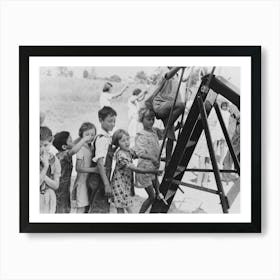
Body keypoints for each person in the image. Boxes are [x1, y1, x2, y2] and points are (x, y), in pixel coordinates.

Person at [145, 67, 189, 165]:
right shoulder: (165, 72)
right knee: (181, 105)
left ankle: (168, 162)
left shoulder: (177, 79)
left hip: (169, 108)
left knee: (170, 136)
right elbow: (168, 75)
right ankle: (168, 128)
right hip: (160, 105)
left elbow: (185, 78)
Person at [111, 129, 161, 213]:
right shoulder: (121, 155)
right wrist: (152, 171)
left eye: (127, 139)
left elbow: (140, 154)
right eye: (123, 141)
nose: (126, 142)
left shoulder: (128, 151)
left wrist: (153, 158)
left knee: (124, 206)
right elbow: (135, 168)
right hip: (119, 185)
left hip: (125, 184)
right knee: (122, 208)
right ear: (117, 143)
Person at [133, 107, 165, 213]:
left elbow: (165, 133)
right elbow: (139, 152)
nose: (151, 122)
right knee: (152, 196)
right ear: (142, 120)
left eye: (153, 119)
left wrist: (176, 127)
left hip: (152, 169)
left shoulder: (154, 131)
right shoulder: (141, 135)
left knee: (159, 191)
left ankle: (156, 212)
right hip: (145, 169)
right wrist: (152, 158)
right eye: (148, 119)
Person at [52, 131, 92, 213]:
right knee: (61, 207)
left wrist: (81, 136)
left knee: (65, 205)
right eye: (70, 140)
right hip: (60, 187)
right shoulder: (63, 155)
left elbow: (73, 144)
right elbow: (74, 150)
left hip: (64, 186)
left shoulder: (62, 152)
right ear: (64, 147)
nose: (73, 141)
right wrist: (84, 139)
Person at [88, 106, 117, 213]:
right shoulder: (101, 139)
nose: (113, 124)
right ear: (101, 120)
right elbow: (100, 164)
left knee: (103, 207)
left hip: (103, 177)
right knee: (98, 209)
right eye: (110, 121)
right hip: (100, 179)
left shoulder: (107, 137)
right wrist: (106, 184)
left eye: (114, 121)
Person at [71, 122, 97, 213]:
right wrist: (94, 170)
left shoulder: (92, 147)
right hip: (82, 183)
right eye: (87, 134)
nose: (90, 137)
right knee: (81, 209)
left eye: (93, 135)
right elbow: (78, 168)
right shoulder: (81, 148)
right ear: (81, 135)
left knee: (87, 209)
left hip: (89, 182)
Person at [40, 126, 61, 213]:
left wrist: (42, 175)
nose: (42, 149)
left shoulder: (54, 160)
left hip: (50, 197)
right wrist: (45, 167)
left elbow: (56, 185)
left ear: (51, 142)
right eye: (38, 146)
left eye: (45, 145)